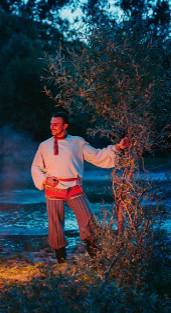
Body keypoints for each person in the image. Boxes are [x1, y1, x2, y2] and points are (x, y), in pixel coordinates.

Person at [31, 112, 130, 263]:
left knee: (88, 219)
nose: (52, 126)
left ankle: (96, 258)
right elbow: (36, 167)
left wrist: (117, 148)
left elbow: (96, 155)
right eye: (51, 123)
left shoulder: (77, 142)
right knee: (55, 224)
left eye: (56, 124)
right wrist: (45, 179)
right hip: (53, 188)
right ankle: (61, 261)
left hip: (73, 187)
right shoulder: (44, 146)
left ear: (65, 126)